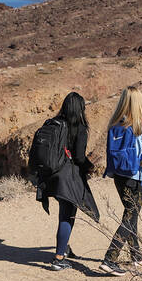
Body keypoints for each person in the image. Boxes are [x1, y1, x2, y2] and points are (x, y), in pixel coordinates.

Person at [99, 87, 142, 277]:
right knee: (130, 216)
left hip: (119, 175)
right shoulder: (141, 125)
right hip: (136, 176)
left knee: (131, 213)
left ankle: (136, 253)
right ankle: (109, 259)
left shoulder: (115, 124)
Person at [37, 92, 98, 271]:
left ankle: (64, 248)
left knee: (64, 212)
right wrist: (90, 166)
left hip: (51, 175)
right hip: (67, 177)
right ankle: (58, 258)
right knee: (67, 215)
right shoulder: (79, 128)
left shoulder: (54, 124)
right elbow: (79, 157)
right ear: (80, 109)